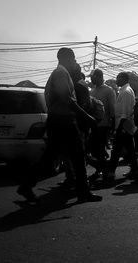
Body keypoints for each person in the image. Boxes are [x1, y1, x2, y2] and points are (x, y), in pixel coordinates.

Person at [44, 47, 101, 202]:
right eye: (73, 58)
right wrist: (87, 116)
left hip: (63, 120)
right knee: (62, 155)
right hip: (62, 120)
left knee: (73, 155)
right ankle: (83, 191)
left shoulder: (62, 73)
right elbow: (68, 99)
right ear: (66, 58)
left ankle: (83, 191)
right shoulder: (61, 74)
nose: (75, 61)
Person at [107, 72, 138, 181]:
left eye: (118, 78)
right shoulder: (125, 90)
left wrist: (119, 129)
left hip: (124, 125)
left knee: (117, 150)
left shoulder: (125, 92)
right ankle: (135, 170)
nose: (116, 80)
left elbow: (125, 113)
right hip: (124, 125)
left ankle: (111, 172)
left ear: (124, 79)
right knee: (129, 149)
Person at [88, 69, 116, 184]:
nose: (91, 79)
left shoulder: (109, 91)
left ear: (99, 76)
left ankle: (105, 173)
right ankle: (101, 169)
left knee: (99, 150)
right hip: (93, 126)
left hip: (104, 125)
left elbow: (113, 109)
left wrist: (113, 125)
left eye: (92, 77)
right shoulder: (92, 91)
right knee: (94, 151)